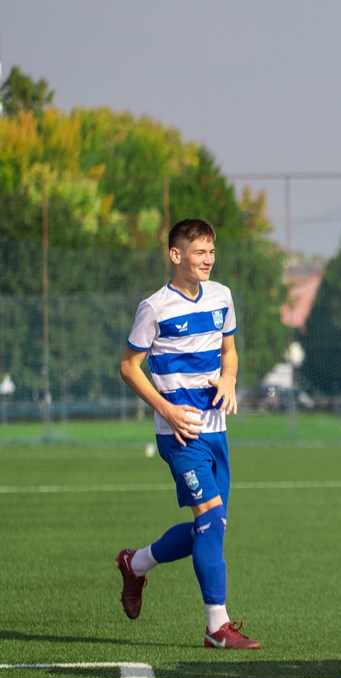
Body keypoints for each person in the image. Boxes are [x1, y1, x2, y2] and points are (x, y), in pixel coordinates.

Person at [116, 218, 260, 649]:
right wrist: (166, 410)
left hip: (217, 429)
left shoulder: (222, 297)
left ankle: (136, 564)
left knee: (210, 527)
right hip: (179, 435)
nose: (208, 260)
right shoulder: (155, 307)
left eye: (212, 252)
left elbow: (229, 351)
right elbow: (128, 367)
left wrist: (230, 379)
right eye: (199, 252)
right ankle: (217, 626)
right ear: (176, 255)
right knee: (212, 520)